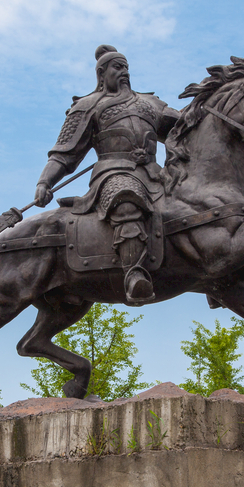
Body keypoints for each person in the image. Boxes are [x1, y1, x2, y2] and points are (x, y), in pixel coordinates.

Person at [34, 45, 180, 303]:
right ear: (102, 73)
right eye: (117, 67)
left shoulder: (150, 103)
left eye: (126, 68)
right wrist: (45, 181)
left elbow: (184, 126)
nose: (124, 72)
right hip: (114, 173)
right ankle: (134, 274)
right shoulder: (88, 106)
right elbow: (64, 153)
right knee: (126, 200)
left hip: (156, 174)